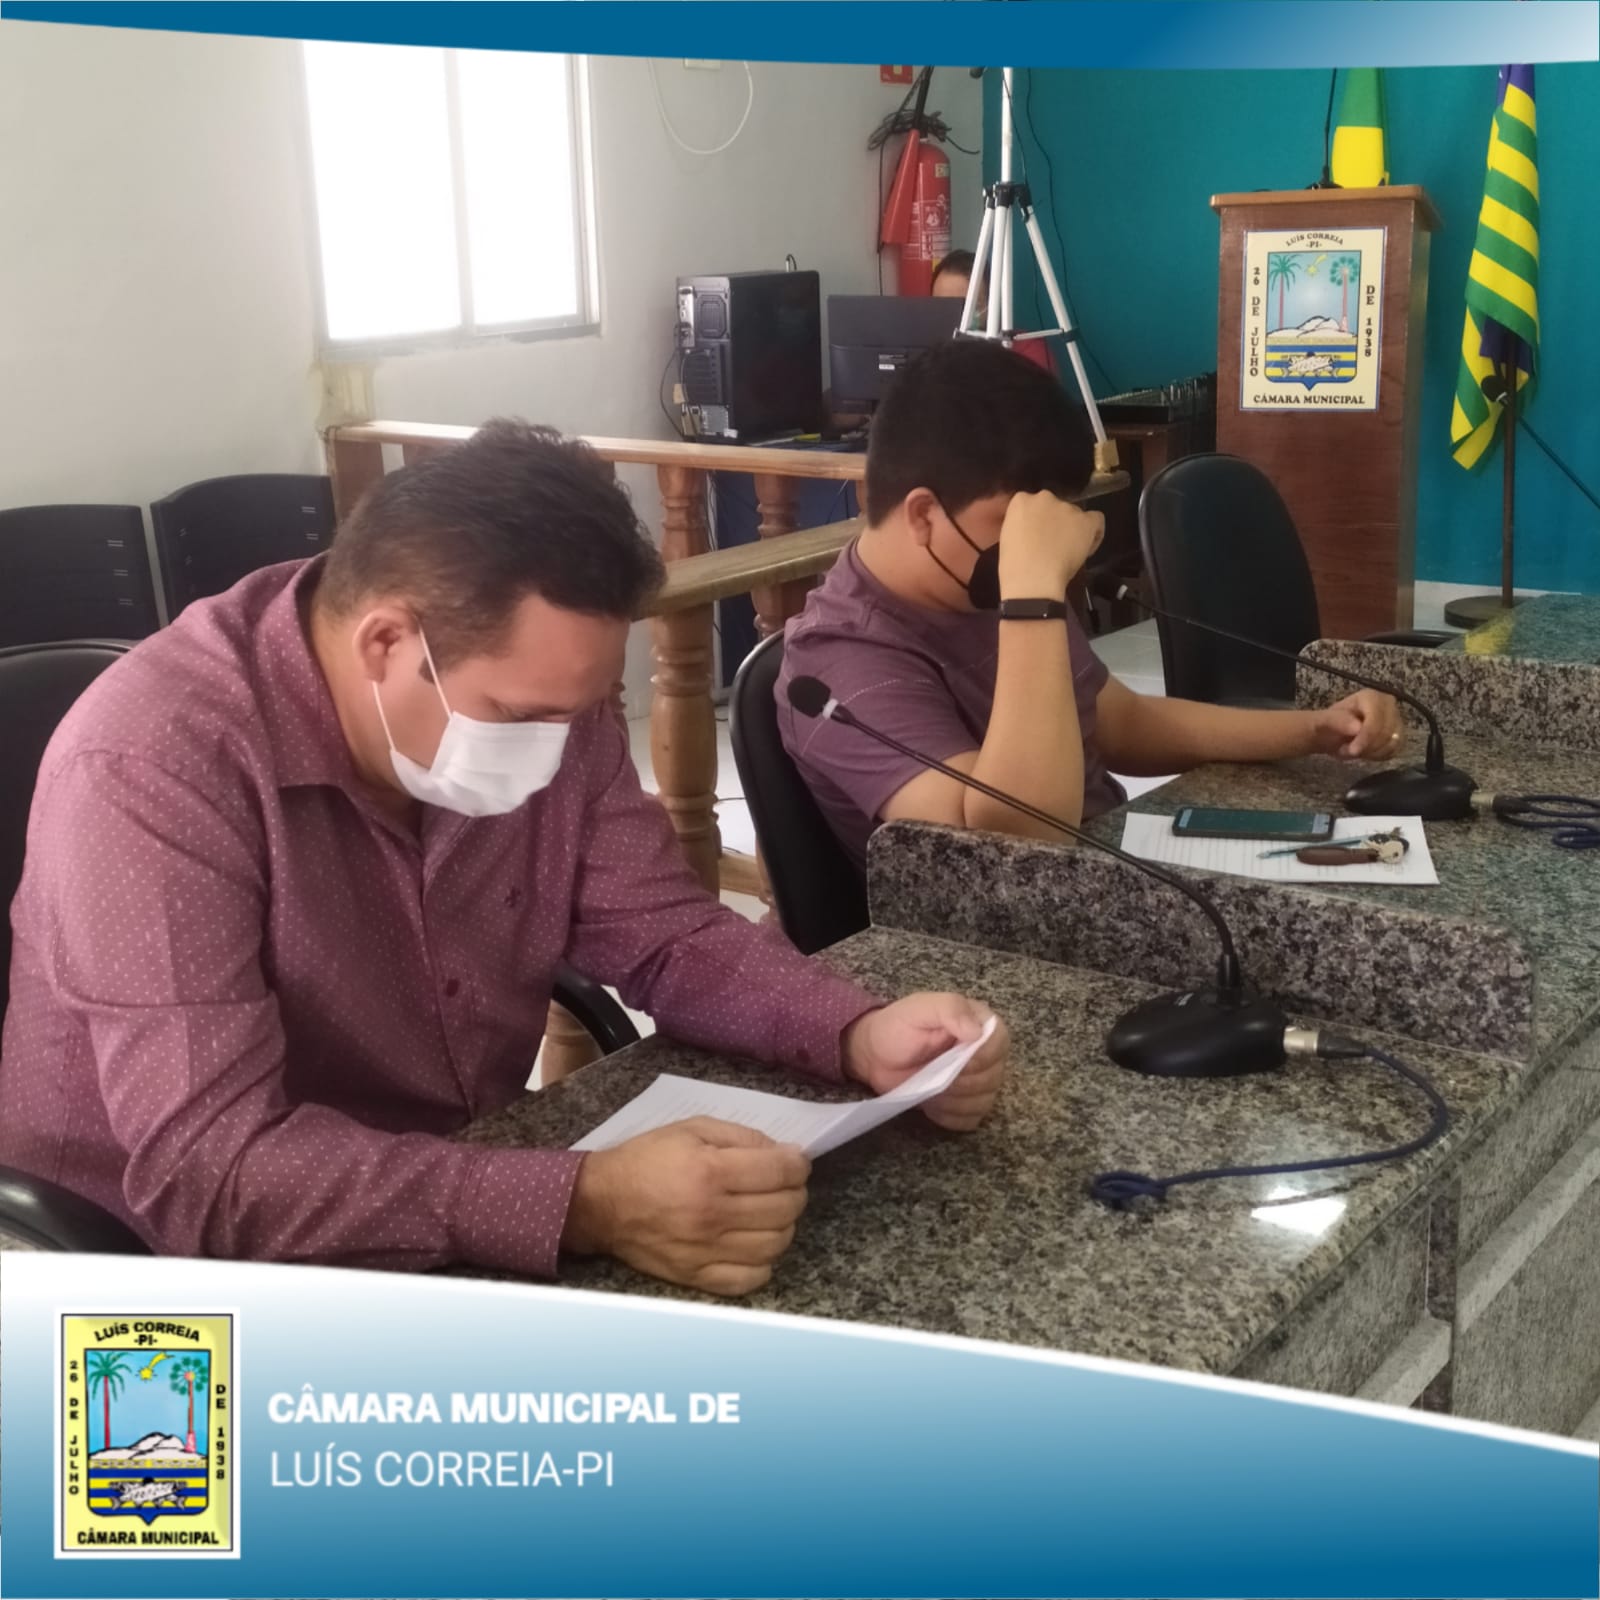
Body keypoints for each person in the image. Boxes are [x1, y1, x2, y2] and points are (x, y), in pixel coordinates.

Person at [0, 420, 1008, 1297]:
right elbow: (213, 1175)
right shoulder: (152, 763)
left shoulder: (542, 694)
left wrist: (852, 1029)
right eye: (520, 716)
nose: (558, 747)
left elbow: (663, 933)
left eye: (580, 711)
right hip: (152, 1280)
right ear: (386, 642)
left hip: (451, 1182)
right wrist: (584, 1201)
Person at [776, 339, 1402, 871]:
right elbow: (1014, 843)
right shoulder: (839, 660)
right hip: (1006, 928)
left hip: (1104, 871)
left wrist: (1313, 729)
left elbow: (1119, 723)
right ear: (923, 515)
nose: (1039, 545)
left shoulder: (982, 583)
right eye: (1018, 523)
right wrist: (1032, 596)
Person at [931, 249, 1053, 374]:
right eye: (944, 305)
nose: (955, 314)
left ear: (992, 303)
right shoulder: (927, 354)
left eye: (969, 306)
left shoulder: (1028, 355)